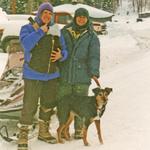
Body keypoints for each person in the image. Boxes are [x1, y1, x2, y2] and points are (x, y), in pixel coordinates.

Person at [17, 2, 67, 150]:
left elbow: (64, 49)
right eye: (44, 12)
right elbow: (26, 45)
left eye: (50, 13)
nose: (47, 15)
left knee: (48, 105)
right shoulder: (28, 28)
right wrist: (40, 32)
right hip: (32, 74)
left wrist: (61, 55)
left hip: (51, 75)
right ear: (39, 14)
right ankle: (23, 134)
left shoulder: (56, 30)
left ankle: (43, 132)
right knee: (29, 105)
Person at [58, 8, 100, 139]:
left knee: (82, 105)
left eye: (84, 17)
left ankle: (79, 129)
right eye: (79, 16)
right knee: (64, 104)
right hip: (65, 73)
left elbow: (94, 56)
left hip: (82, 75)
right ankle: (64, 129)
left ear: (87, 19)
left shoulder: (92, 36)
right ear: (75, 17)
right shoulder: (65, 32)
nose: (81, 19)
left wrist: (93, 72)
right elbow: (58, 48)